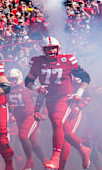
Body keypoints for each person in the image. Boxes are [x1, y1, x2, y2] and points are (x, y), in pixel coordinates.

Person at [25, 37, 91, 169]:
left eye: (53, 47)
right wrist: (35, 88)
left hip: (66, 98)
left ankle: (55, 157)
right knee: (65, 132)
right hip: (50, 100)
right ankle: (83, 149)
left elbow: (86, 78)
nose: (51, 50)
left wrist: (79, 93)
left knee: (57, 121)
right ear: (43, 49)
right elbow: (28, 81)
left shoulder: (67, 61)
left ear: (58, 48)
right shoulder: (37, 62)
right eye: (48, 48)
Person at [6, 68, 46, 170]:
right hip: (19, 119)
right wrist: (10, 114)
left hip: (31, 116)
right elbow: (5, 105)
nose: (12, 82)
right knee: (33, 142)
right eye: (10, 79)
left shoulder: (27, 87)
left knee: (23, 136)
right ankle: (45, 161)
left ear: (19, 78)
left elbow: (42, 96)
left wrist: (42, 112)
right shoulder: (8, 90)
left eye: (14, 79)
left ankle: (29, 163)